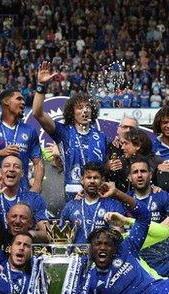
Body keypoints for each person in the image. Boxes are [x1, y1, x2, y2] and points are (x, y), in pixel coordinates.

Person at [33, 61, 107, 200]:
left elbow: (105, 165)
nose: (85, 110)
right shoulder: (63, 132)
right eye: (80, 107)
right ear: (71, 113)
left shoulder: (100, 136)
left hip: (99, 193)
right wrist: (41, 86)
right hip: (73, 192)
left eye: (87, 107)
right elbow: (38, 113)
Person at [127, 156, 169, 277]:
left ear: (151, 175)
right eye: (135, 172)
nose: (140, 175)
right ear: (130, 178)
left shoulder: (161, 195)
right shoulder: (125, 200)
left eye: (143, 171)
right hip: (141, 261)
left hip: (168, 255)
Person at [0, 89, 43, 192]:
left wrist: (36, 186)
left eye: (23, 100)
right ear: (6, 102)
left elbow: (38, 162)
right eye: (19, 99)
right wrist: (0, 153)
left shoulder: (29, 130)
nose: (23, 102)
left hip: (22, 192)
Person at [60, 162, 126, 243]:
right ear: (82, 180)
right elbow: (61, 238)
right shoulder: (70, 206)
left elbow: (119, 237)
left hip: (103, 254)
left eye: (96, 178)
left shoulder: (113, 206)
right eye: (88, 177)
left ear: (103, 180)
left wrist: (111, 229)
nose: (92, 181)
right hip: (76, 254)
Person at [0, 155, 49, 241]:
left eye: (16, 167)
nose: (11, 169)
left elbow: (47, 233)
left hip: (23, 248)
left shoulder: (33, 198)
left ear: (22, 173)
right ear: (0, 172)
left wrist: (30, 234)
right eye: (7, 166)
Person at [105, 116, 138, 191]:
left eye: (131, 128)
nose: (128, 130)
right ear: (118, 129)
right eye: (125, 127)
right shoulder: (107, 148)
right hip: (110, 195)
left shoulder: (142, 150)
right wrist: (107, 166)